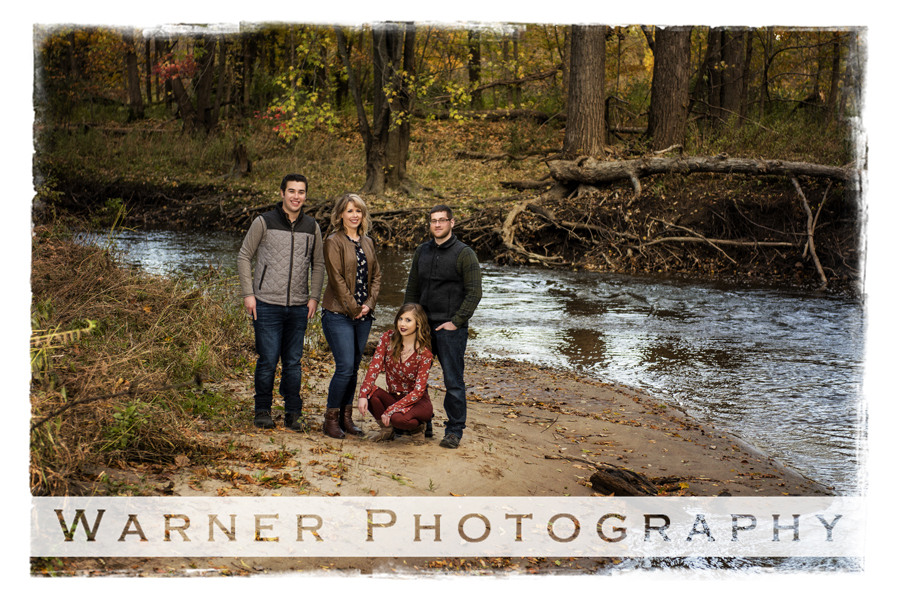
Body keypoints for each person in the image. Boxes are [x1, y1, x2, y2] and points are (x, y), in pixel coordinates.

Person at [237, 173, 325, 431]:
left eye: (301, 192)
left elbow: (318, 264)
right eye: (292, 191)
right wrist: (248, 293)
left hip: (298, 306)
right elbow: (244, 256)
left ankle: (292, 413)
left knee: (293, 362)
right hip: (265, 303)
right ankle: (262, 410)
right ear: (282, 193)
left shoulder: (312, 226)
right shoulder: (264, 222)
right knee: (267, 360)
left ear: (305, 195)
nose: (296, 196)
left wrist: (314, 297)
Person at [403, 205, 482, 449]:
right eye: (433, 221)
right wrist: (408, 322)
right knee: (417, 377)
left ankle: (454, 430)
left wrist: (456, 322)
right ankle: (422, 422)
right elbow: (412, 288)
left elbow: (474, 293)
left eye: (442, 220)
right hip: (423, 327)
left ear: (452, 223)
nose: (437, 225)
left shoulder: (464, 253)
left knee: (453, 381)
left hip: (450, 330)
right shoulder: (421, 251)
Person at [320, 193, 382, 439]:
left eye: (358, 210)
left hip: (363, 316)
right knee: (345, 367)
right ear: (340, 215)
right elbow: (335, 280)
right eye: (349, 210)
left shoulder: (367, 242)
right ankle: (331, 419)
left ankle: (347, 418)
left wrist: (368, 304)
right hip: (338, 313)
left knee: (354, 368)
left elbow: (376, 276)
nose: (355, 215)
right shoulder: (333, 241)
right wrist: (354, 308)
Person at [357, 304, 434, 443]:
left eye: (408, 320)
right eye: (400, 319)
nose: (402, 324)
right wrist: (362, 395)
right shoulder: (387, 339)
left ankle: (418, 429)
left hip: (418, 403)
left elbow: (418, 391)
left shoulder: (424, 353)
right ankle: (387, 431)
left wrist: (390, 410)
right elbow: (374, 367)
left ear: (418, 324)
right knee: (369, 392)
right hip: (395, 397)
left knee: (398, 419)